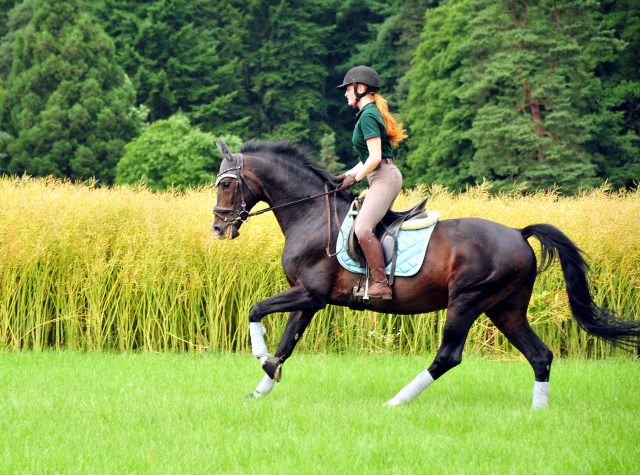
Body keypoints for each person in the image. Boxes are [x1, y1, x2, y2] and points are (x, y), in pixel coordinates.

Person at [334, 66, 408, 300]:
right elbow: (366, 158)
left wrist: (354, 179)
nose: (346, 93)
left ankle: (381, 284)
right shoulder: (367, 114)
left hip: (384, 177)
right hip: (379, 176)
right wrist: (344, 175)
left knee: (362, 228)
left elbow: (375, 158)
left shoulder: (367, 115)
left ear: (361, 88)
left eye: (348, 89)